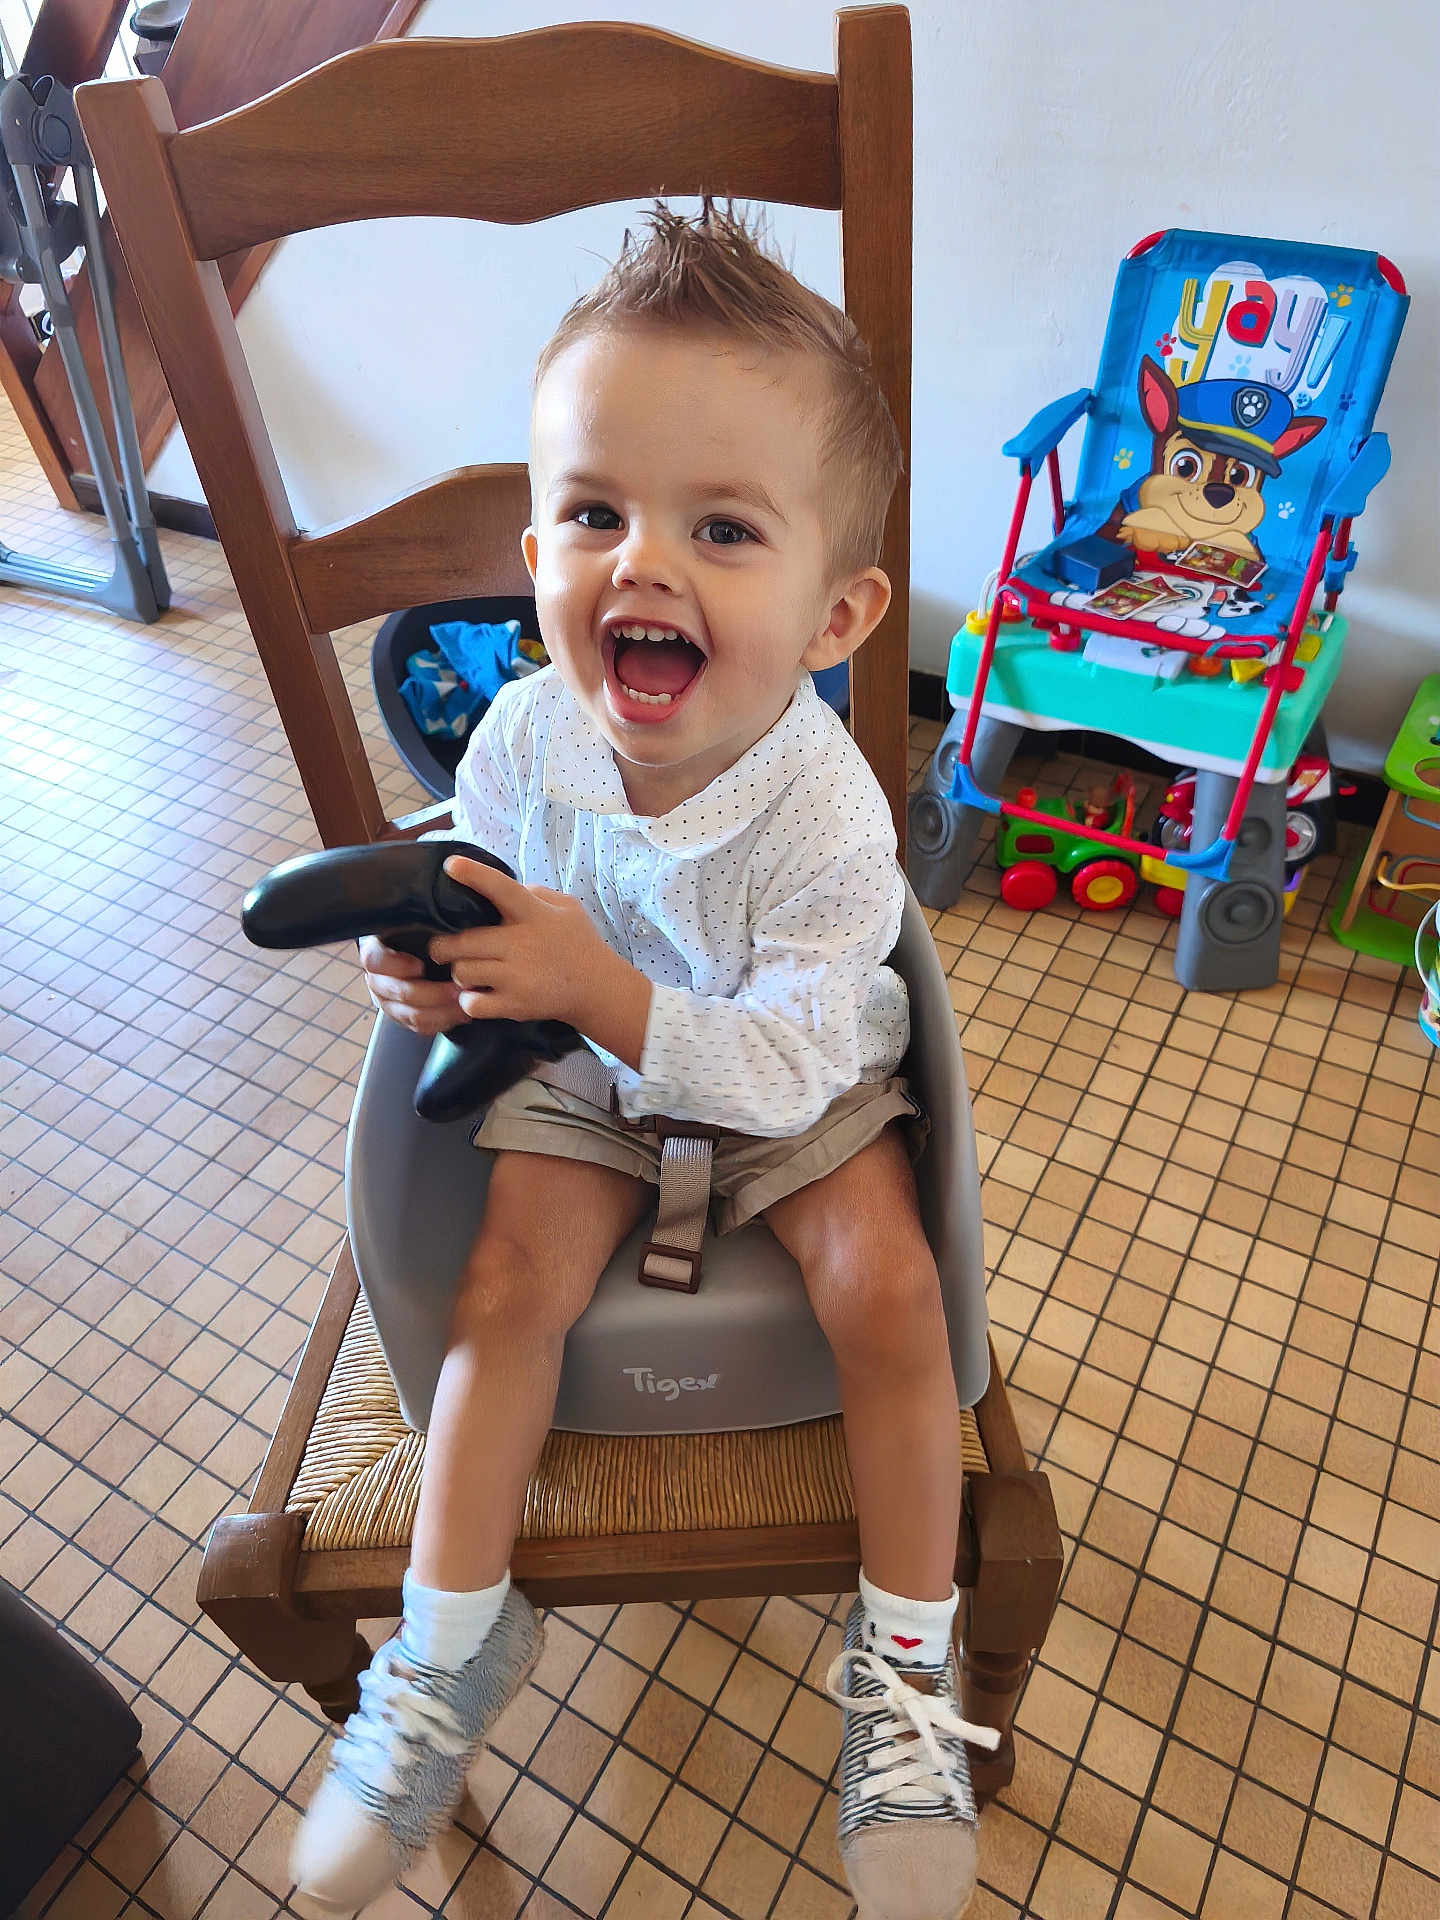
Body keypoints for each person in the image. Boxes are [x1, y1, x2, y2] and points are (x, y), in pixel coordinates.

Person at [292, 202, 991, 1920]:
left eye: (722, 528)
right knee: (499, 1292)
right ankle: (447, 1659)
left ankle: (904, 1672)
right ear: (533, 547)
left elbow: (793, 1053)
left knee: (895, 1294)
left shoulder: (828, 808)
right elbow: (501, 916)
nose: (641, 565)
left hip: (792, 1076)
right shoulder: (526, 732)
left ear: (838, 614)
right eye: (593, 512)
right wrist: (441, 981)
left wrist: (602, 988)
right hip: (597, 1080)